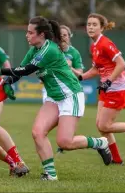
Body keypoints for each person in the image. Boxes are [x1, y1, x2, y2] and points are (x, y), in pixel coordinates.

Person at [0, 16, 112, 181]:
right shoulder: (34, 49)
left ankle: (100, 143)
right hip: (53, 97)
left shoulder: (50, 49)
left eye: (30, 32)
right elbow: (20, 70)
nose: (27, 36)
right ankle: (50, 174)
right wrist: (8, 82)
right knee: (37, 132)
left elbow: (27, 69)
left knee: (65, 142)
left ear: (41, 34)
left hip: (71, 96)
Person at [79, 13, 125, 165]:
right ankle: (117, 159)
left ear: (101, 28)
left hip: (117, 89)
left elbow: (122, 64)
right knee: (102, 127)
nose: (90, 27)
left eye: (94, 25)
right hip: (106, 89)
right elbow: (96, 70)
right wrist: (80, 77)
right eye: (89, 24)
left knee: (104, 125)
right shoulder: (94, 46)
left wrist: (109, 82)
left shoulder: (105, 43)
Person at [55, 25, 84, 154]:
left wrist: (70, 68)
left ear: (69, 36)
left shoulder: (74, 53)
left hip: (70, 91)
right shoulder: (53, 51)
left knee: (65, 119)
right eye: (60, 35)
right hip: (53, 91)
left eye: (65, 35)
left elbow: (80, 75)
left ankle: (65, 142)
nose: (62, 38)